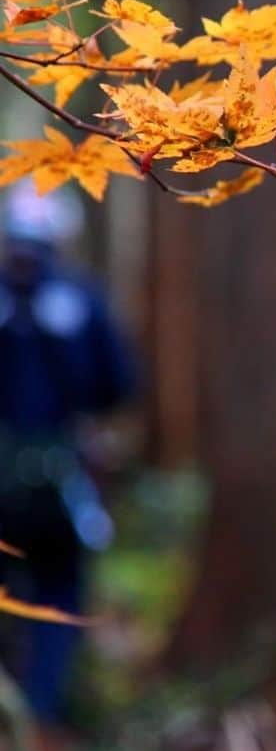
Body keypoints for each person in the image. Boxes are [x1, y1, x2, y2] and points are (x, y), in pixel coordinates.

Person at [0, 184, 135, 721]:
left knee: (50, 587)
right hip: (60, 476)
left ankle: (33, 714)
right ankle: (38, 711)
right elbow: (118, 384)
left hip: (53, 480)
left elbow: (120, 384)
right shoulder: (82, 300)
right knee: (58, 592)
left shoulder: (77, 302)